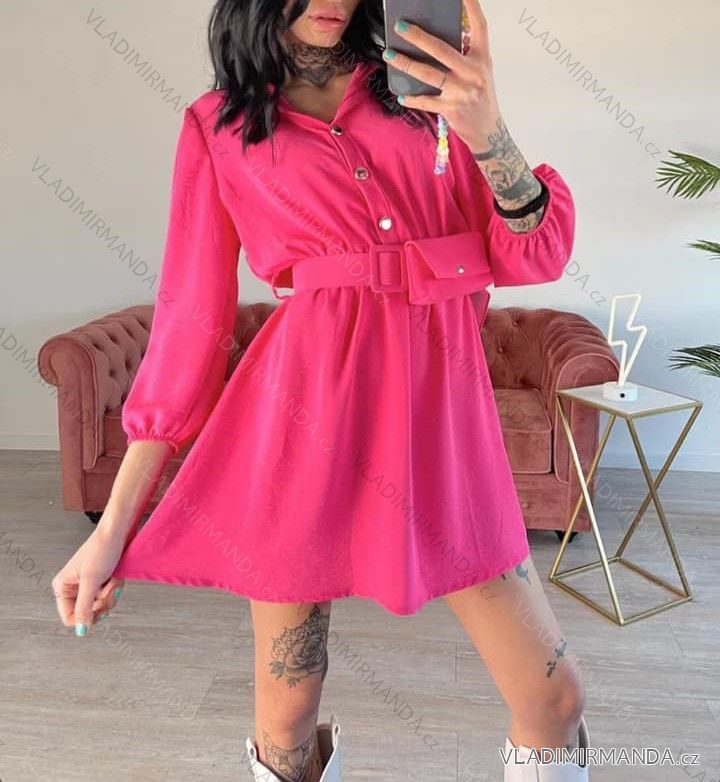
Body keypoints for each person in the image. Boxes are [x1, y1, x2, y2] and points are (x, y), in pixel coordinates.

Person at [52, 1, 590, 780]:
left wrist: (487, 127)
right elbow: (187, 327)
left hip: (442, 425)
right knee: (287, 715)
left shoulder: (424, 96)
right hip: (298, 422)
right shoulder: (218, 126)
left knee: (555, 698)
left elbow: (534, 255)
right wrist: (109, 533)